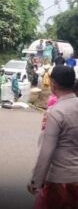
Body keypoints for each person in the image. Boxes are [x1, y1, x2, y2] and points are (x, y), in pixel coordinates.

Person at [27, 65, 78, 209]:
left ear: (53, 84)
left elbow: (46, 150)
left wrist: (36, 180)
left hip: (59, 181)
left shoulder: (55, 112)